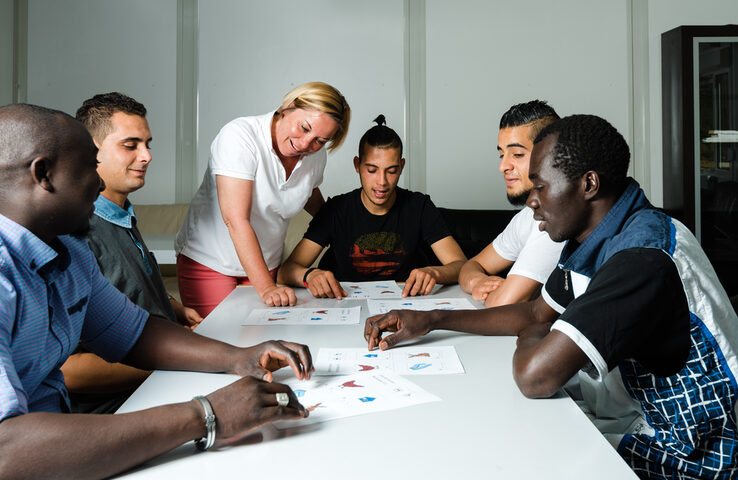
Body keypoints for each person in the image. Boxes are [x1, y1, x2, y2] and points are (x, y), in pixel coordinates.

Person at [364, 114, 738, 479]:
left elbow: (535, 376)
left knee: (507, 455)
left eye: (541, 186)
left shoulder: (642, 257)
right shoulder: (600, 232)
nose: (531, 202)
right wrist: (431, 320)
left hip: (691, 454)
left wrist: (534, 333)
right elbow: (536, 312)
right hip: (638, 416)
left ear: (588, 183)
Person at [0, 103, 313, 478]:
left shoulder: (69, 248)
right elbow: (8, 452)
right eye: (88, 167)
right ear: (44, 174)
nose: (99, 183)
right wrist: (206, 414)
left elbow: (135, 332)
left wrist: (241, 356)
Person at [58, 92, 202, 414]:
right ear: (89, 151)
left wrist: (176, 310)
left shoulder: (120, 214)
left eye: (147, 144)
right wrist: (175, 361)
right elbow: (68, 370)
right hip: (116, 411)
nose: (147, 155)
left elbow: (127, 281)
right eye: (131, 145)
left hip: (162, 385)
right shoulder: (75, 234)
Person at [175, 82, 351, 315]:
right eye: (304, 127)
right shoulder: (239, 136)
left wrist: (343, 230)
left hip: (267, 263)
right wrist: (267, 288)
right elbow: (236, 220)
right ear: (288, 106)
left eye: (320, 140)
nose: (306, 144)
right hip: (211, 262)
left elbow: (308, 192)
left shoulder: (314, 156)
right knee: (222, 345)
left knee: (265, 345)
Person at [278, 115, 466, 298]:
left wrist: (435, 273)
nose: (382, 182)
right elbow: (286, 271)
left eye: (391, 171)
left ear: (401, 167)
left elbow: (460, 265)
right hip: (344, 304)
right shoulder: (336, 209)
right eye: (372, 170)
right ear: (357, 165)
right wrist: (309, 275)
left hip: (405, 308)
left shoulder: (419, 206)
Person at [458, 100, 564, 307]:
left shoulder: (560, 217)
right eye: (501, 154)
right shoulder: (527, 216)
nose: (503, 166)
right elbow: (472, 265)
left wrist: (497, 294)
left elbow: (503, 304)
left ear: (551, 154)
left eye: (517, 154)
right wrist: (478, 281)